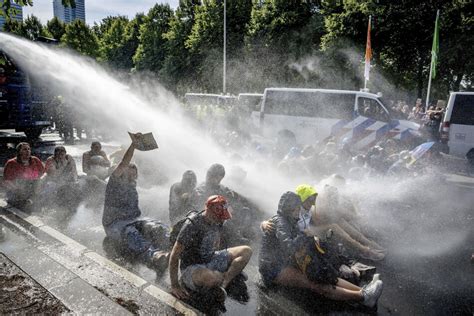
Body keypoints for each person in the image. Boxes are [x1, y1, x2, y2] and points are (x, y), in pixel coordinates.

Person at [258, 191, 383, 308]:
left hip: (285, 262)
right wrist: (303, 237)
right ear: (290, 209)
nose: (298, 211)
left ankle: (364, 291)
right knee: (315, 283)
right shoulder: (281, 223)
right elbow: (289, 247)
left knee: (325, 274)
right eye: (297, 208)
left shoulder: (288, 220)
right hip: (273, 268)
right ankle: (363, 297)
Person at [169, 195, 252, 302]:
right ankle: (223, 275)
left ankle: (224, 283)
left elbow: (219, 242)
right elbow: (175, 255)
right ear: (210, 211)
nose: (221, 220)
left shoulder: (218, 221)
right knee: (211, 278)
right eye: (219, 217)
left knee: (246, 251)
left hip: (211, 257)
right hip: (192, 267)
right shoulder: (192, 225)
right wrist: (175, 285)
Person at [102, 139, 169, 271]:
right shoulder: (114, 184)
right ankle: (154, 256)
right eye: (129, 173)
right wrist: (133, 146)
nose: (133, 176)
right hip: (115, 223)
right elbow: (123, 163)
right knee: (131, 233)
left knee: (157, 227)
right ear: (122, 173)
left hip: (134, 219)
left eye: (134, 174)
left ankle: (175, 245)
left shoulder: (132, 185)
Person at [3, 142, 44, 209]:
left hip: (34, 188)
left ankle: (31, 201)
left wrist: (40, 182)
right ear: (19, 152)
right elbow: (7, 181)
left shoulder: (35, 160)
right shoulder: (11, 163)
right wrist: (17, 189)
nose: (27, 151)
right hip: (18, 190)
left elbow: (43, 173)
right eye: (24, 149)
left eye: (29, 149)